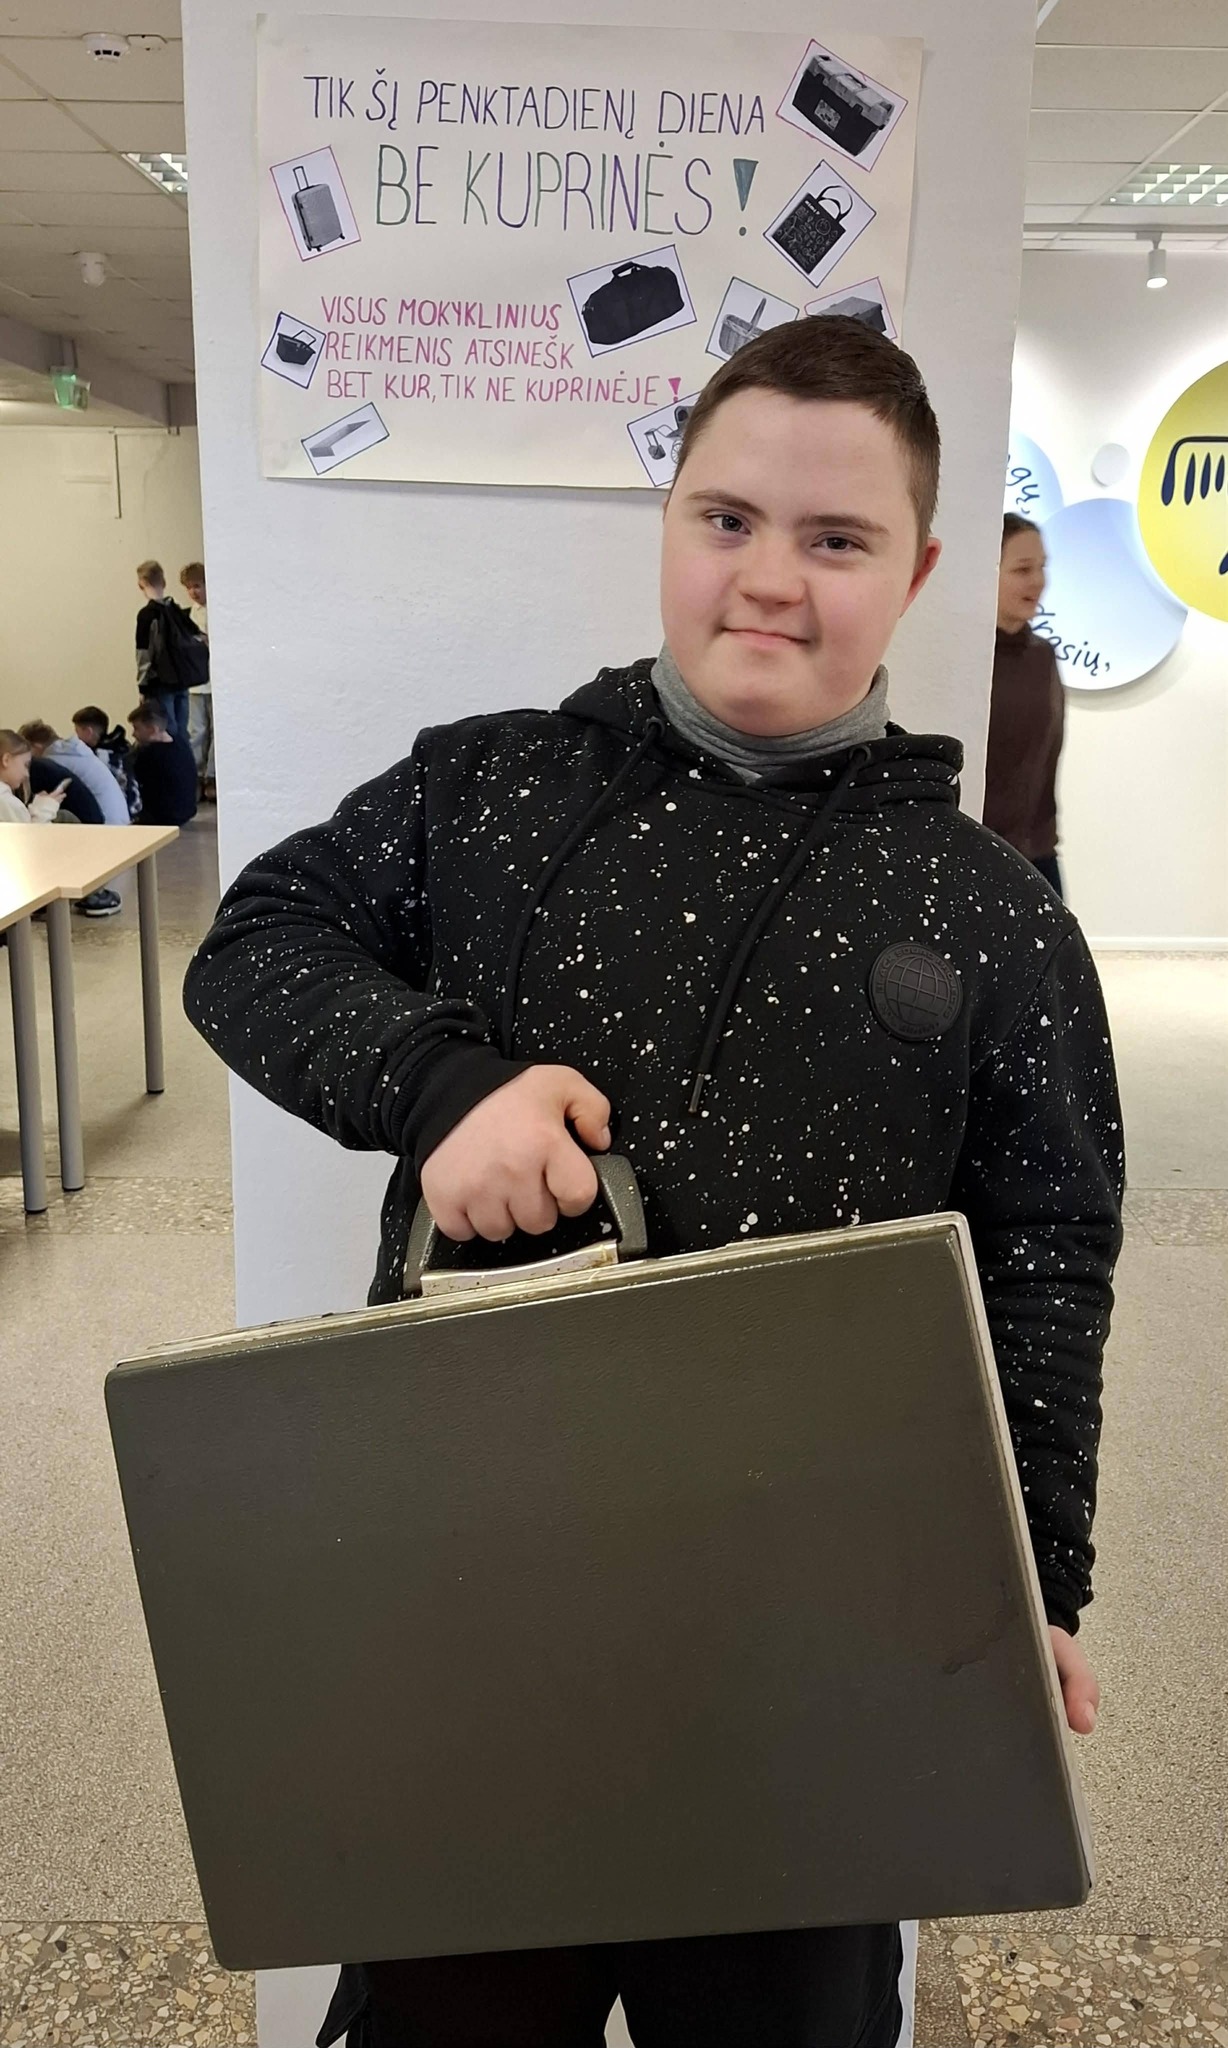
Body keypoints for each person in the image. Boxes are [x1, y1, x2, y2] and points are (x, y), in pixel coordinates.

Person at [184, 318, 1123, 2048]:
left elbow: (1048, 1248)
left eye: (835, 539)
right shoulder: (489, 785)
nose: (768, 578)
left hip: (818, 1639)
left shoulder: (991, 908)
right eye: (727, 519)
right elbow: (255, 945)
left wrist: (1034, 1572)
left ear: (916, 573)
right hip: (480, 1582)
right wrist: (439, 1088)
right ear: (669, 517)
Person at [983, 513, 1066, 898]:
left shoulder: (1042, 657)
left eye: (1042, 567)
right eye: (1022, 569)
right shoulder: (968, 664)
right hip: (977, 855)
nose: (1038, 582)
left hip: (1038, 854)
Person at [135, 558, 208, 744]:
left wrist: (142, 687)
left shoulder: (147, 615)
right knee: (182, 731)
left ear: (140, 585)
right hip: (182, 679)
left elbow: (144, 653)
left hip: (160, 682)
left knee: (167, 731)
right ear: (164, 582)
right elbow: (199, 636)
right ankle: (185, 761)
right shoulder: (175, 610)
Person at [19, 718, 130, 826]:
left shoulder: (53, 761)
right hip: (119, 821)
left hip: (105, 826)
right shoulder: (74, 753)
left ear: (36, 746)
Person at [179, 560, 216, 803]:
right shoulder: (186, 616)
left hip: (215, 681)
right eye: (189, 587)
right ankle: (195, 775)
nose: (194, 592)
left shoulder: (218, 611)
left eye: (198, 586)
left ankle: (212, 776)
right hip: (195, 683)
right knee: (196, 731)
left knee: (215, 732)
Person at [128, 700, 198, 826]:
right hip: (186, 811)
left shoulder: (149, 755)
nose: (133, 734)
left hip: (163, 817)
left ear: (152, 730)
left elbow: (134, 782)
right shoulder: (180, 743)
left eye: (136, 729)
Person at [73, 705, 141, 818]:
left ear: (88, 732)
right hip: (133, 811)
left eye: (77, 732)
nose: (76, 738)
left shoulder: (99, 758)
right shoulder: (123, 749)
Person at [0, 730, 70, 824]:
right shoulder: (8, 803)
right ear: (6, 760)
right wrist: (46, 808)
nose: (27, 774)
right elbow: (32, 831)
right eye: (25, 765)